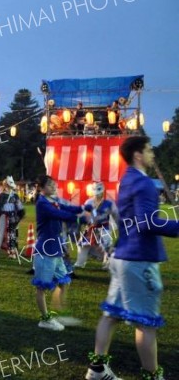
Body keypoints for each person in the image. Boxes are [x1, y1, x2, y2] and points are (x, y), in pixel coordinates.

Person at [85, 136, 178, 380]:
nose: (152, 154)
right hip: (138, 259)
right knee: (146, 323)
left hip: (122, 256)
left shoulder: (126, 179)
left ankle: (96, 369)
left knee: (112, 314)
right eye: (149, 150)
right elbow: (147, 224)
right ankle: (152, 375)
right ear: (138, 154)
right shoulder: (144, 183)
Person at [33, 175, 90, 331]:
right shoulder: (43, 204)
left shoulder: (53, 200)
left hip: (55, 249)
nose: (53, 187)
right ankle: (45, 319)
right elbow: (60, 215)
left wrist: (84, 208)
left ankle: (57, 313)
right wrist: (79, 220)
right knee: (42, 287)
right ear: (41, 188)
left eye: (54, 185)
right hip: (45, 250)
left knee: (64, 281)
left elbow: (68, 208)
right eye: (50, 185)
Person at [75, 181, 119, 270]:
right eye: (95, 192)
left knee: (107, 245)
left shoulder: (109, 203)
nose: (97, 195)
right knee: (83, 244)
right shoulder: (89, 202)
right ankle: (80, 262)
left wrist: (120, 225)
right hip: (91, 227)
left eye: (99, 192)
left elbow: (116, 215)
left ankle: (107, 264)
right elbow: (84, 214)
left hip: (104, 227)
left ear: (103, 191)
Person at [0, 176, 25, 259]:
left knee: (11, 235)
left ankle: (11, 253)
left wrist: (19, 216)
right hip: (4, 216)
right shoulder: (2, 195)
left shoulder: (15, 196)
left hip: (12, 217)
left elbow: (19, 207)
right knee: (0, 233)